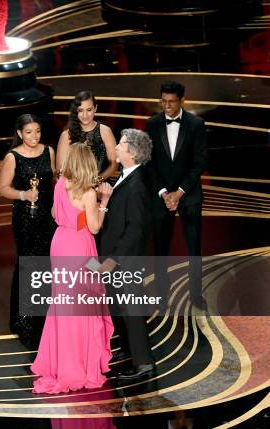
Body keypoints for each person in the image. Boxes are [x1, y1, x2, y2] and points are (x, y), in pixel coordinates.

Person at [31, 144, 114, 393]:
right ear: (88, 163)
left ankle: (60, 360)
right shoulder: (88, 193)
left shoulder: (60, 184)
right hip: (80, 246)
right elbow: (95, 227)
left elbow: (56, 213)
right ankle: (79, 364)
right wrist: (105, 201)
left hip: (60, 243)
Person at [146, 81, 208, 310]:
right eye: (163, 101)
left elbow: (200, 162)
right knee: (161, 247)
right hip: (161, 195)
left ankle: (195, 295)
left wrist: (179, 192)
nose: (166, 106)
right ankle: (162, 295)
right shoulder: (152, 124)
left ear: (182, 101)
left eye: (171, 101)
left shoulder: (196, 124)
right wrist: (164, 193)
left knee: (194, 247)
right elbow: (149, 163)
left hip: (189, 194)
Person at [99, 128, 155, 381]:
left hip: (125, 261)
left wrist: (112, 260)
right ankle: (128, 352)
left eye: (121, 145)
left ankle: (144, 363)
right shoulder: (127, 177)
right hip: (117, 259)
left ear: (131, 152)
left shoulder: (137, 185)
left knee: (131, 311)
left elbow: (135, 230)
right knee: (119, 307)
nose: (117, 147)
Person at [0, 114, 56, 346]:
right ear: (20, 133)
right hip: (25, 218)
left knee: (47, 266)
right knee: (29, 265)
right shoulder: (12, 157)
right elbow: (2, 188)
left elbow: (53, 182)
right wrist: (23, 195)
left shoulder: (48, 151)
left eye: (38, 131)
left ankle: (45, 321)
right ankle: (26, 322)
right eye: (29, 132)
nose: (34, 136)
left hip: (48, 217)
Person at [56, 91, 118, 182]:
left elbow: (114, 164)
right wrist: (78, 187)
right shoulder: (66, 135)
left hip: (100, 187)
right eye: (80, 110)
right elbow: (60, 171)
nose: (85, 115)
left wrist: (97, 181)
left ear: (95, 108)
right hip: (74, 190)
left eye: (89, 110)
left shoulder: (105, 131)